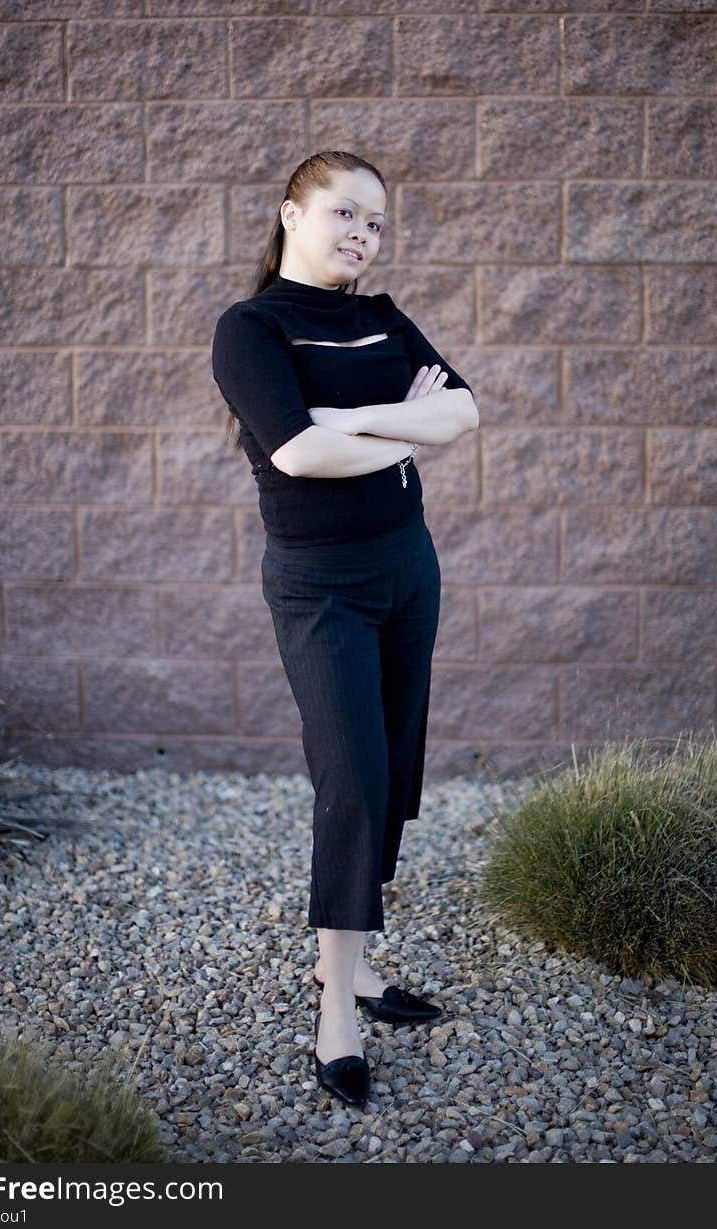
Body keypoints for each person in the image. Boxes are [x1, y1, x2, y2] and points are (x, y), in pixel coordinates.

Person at [211, 151, 478, 1109]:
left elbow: (464, 412)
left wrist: (349, 417)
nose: (363, 235)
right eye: (345, 215)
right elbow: (296, 450)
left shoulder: (381, 314)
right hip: (320, 587)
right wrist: (396, 424)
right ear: (291, 213)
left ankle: (360, 964)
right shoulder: (251, 329)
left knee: (395, 769)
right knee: (352, 779)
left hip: (409, 570)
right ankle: (336, 1004)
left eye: (376, 222)